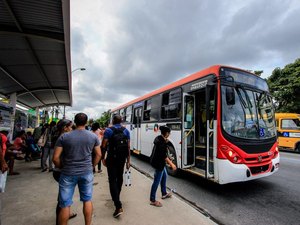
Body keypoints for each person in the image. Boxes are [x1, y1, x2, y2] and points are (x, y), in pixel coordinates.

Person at [52, 113, 101, 225]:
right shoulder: (93, 136)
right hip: (86, 173)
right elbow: (98, 154)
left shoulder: (64, 137)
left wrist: (62, 167)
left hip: (68, 173)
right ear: (87, 122)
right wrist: (92, 166)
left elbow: (55, 158)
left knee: (65, 204)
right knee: (87, 200)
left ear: (74, 122)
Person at [101, 115, 130, 218]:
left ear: (113, 121)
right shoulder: (126, 131)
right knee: (120, 178)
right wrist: (128, 161)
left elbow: (103, 145)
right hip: (122, 159)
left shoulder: (108, 130)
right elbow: (128, 147)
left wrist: (102, 158)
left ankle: (118, 205)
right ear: (121, 121)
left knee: (112, 180)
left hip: (111, 159)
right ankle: (117, 196)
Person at [52, 119, 77, 225]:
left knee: (64, 197)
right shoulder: (63, 138)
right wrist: (62, 167)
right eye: (70, 127)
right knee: (63, 200)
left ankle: (66, 214)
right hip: (62, 172)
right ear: (65, 128)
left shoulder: (63, 138)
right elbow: (55, 158)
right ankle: (60, 220)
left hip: (62, 171)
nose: (72, 129)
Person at [149, 126, 176, 207]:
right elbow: (164, 156)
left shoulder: (159, 138)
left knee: (164, 176)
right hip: (159, 164)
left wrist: (166, 142)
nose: (169, 134)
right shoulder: (162, 143)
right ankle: (152, 200)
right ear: (166, 133)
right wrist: (172, 164)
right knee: (156, 181)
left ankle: (164, 193)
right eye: (169, 133)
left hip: (158, 162)